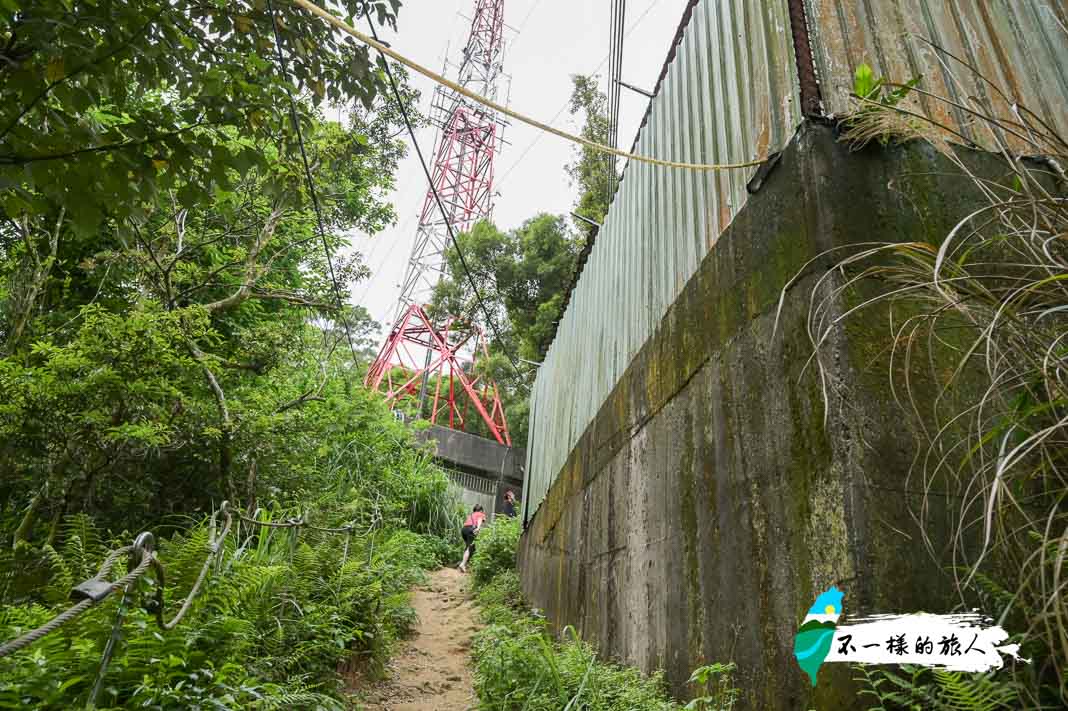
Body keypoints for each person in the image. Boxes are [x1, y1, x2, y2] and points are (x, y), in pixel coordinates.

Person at [458, 504, 485, 573]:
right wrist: (478, 528)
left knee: (472, 547)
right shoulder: (481, 514)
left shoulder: (471, 515)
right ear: (481, 510)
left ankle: (468, 565)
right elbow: (479, 520)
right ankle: (463, 564)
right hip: (471, 530)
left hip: (464, 530)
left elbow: (467, 523)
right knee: (469, 548)